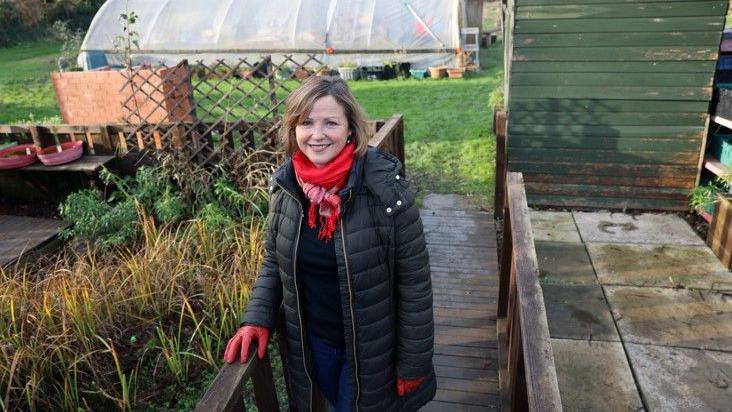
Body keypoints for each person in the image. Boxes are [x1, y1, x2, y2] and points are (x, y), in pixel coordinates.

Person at [223, 75, 435, 411]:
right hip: (315, 344)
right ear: (294, 129)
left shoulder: (384, 191)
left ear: (351, 128)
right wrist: (256, 317)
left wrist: (414, 360)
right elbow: (273, 263)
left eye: (330, 123)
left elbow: (415, 283)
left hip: (372, 351)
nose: (317, 134)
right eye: (306, 122)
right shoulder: (287, 188)